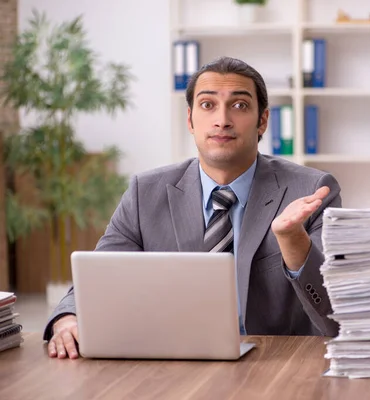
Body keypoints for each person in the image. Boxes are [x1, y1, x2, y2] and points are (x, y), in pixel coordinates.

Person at [43, 56, 342, 359]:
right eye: (208, 105)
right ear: (190, 120)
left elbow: (333, 313)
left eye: (239, 106)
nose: (222, 120)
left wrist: (293, 241)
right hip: (174, 358)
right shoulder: (144, 193)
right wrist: (67, 318)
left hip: (278, 362)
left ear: (262, 120)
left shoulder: (311, 192)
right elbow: (99, 274)